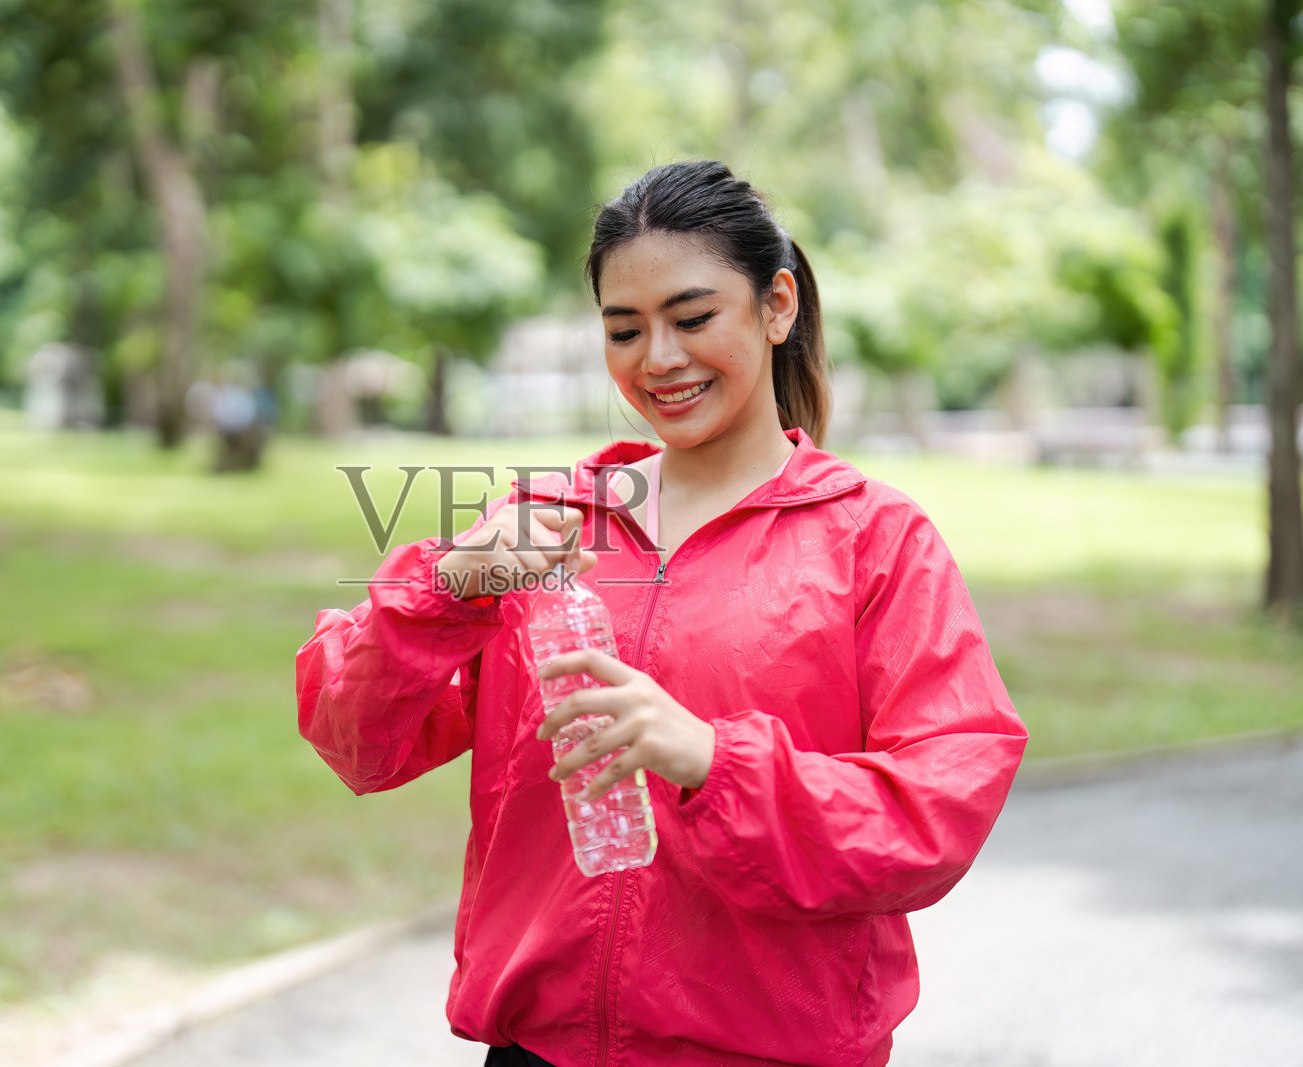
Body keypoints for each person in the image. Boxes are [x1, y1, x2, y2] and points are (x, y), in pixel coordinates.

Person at [296, 160, 1027, 1067]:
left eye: (692, 318)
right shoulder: (543, 529)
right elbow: (357, 739)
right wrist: (448, 586)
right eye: (624, 329)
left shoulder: (874, 540)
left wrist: (713, 760)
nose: (660, 360)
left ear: (777, 305)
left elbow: (937, 810)